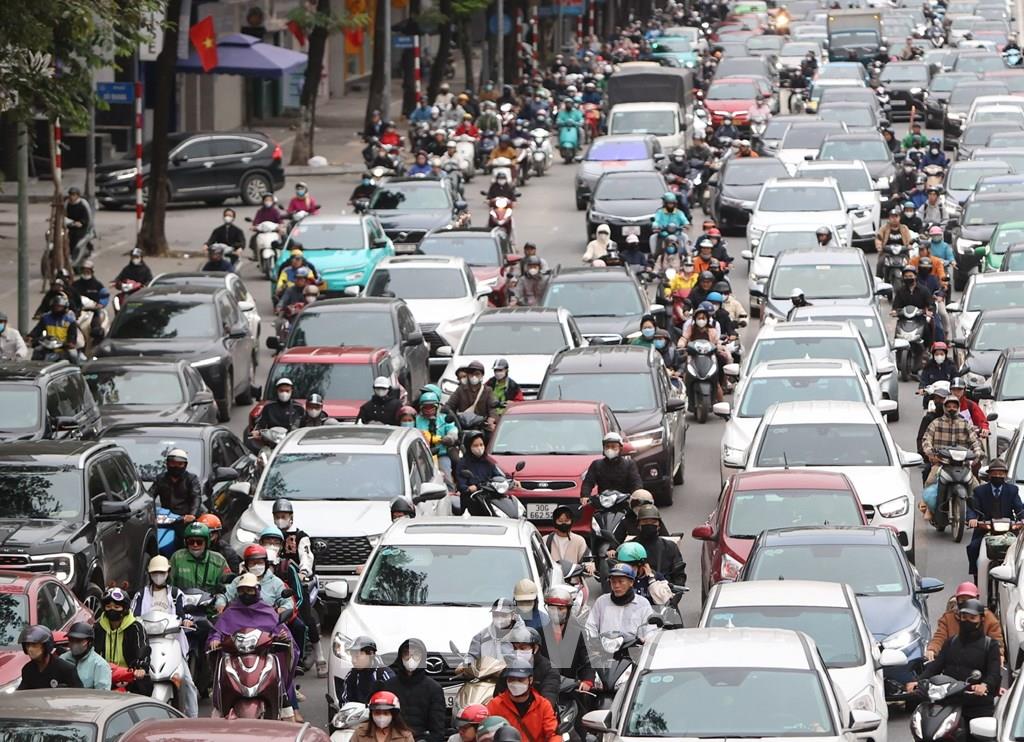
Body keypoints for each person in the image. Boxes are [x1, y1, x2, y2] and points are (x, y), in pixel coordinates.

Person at [207, 572, 298, 720]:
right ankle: (220, 706)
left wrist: (282, 636)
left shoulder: (267, 611)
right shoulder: (231, 612)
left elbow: (279, 629)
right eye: (242, 590)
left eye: (249, 590)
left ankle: (285, 705)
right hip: (235, 659)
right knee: (222, 683)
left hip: (263, 658)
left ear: (257, 590)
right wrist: (216, 639)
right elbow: (218, 630)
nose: (246, 594)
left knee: (278, 674)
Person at [907, 599, 1000, 727]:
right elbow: (935, 667)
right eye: (964, 617)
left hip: (977, 705)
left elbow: (994, 673)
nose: (967, 621)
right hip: (950, 701)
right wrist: (918, 681)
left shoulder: (990, 645)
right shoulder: (951, 642)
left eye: (972, 618)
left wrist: (984, 685)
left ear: (981, 619)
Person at [130, 555, 199, 716]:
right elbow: (133, 616)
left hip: (171, 642)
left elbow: (182, 613)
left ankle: (193, 718)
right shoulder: (141, 594)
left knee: (186, 681)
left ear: (168, 573)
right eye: (155, 573)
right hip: (146, 643)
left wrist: (187, 620)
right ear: (149, 574)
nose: (158, 576)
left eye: (161, 572)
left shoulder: (175, 594)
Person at [966, 458, 1023, 578]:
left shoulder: (1012, 490)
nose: (998, 476)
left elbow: (1019, 508)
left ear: (1005, 475)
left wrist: (1022, 518)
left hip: (1009, 529)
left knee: (1020, 549)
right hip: (985, 528)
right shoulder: (979, 491)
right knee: (973, 547)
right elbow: (973, 508)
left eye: (1001, 473)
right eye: (995, 473)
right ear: (989, 475)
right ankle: (976, 574)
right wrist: (972, 518)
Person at [383, 638, 447, 742]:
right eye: (406, 653)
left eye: (416, 654)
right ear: (400, 656)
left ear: (422, 657)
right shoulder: (388, 686)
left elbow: (437, 731)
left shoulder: (434, 688)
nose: (410, 658)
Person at [95, 587, 153, 696]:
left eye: (116, 607)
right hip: (103, 677)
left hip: (129, 677)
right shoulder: (98, 627)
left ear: (125, 609)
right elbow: (93, 652)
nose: (112, 610)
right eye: (108, 607)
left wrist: (141, 667)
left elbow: (142, 648)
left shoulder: (136, 627)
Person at [926, 582, 1004, 661]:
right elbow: (940, 637)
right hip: (954, 660)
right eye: (962, 600)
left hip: (980, 660)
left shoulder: (989, 618)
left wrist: (999, 654)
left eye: (973, 618)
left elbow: (996, 639)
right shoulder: (948, 618)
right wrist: (932, 649)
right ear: (957, 601)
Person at [486, 659, 558, 742]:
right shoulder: (495, 705)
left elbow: (553, 734)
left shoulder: (543, 705)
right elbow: (485, 735)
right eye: (511, 679)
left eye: (520, 680)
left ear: (530, 680)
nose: (515, 683)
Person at [922, 395, 986, 488]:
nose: (951, 409)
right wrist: (931, 453)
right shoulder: (935, 423)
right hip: (941, 464)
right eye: (949, 406)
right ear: (944, 408)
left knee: (976, 488)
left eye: (954, 406)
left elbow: (975, 441)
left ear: (958, 408)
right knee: (930, 483)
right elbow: (926, 440)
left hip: (963, 465)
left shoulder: (965, 424)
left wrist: (977, 453)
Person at [585, 563, 655, 641]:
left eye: (621, 581)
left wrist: (646, 639)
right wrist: (593, 642)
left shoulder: (643, 604)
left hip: (634, 647)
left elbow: (650, 631)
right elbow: (590, 626)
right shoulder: (601, 601)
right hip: (605, 646)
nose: (616, 585)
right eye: (613, 581)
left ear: (631, 582)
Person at [217, 544, 294, 615]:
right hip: (240, 619)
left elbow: (287, 602)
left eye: (260, 562)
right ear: (246, 565)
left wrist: (282, 609)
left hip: (267, 620)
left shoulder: (276, 582)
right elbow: (225, 596)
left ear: (266, 564)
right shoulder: (239, 581)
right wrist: (220, 604)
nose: (256, 566)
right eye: (252, 563)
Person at [493, 628, 559, 709]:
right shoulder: (509, 668)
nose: (517, 652)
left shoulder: (549, 670)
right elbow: (498, 696)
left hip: (537, 713)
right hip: (509, 713)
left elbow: (549, 699)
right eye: (515, 648)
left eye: (522, 648)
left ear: (535, 648)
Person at [629, 504, 687, 586]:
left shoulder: (670, 547)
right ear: (638, 525)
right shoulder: (629, 547)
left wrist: (671, 592)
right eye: (645, 522)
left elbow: (679, 576)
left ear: (659, 525)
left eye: (653, 522)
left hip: (663, 590)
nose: (649, 525)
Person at [169, 521, 232, 593]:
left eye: (199, 542)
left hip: (211, 599)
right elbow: (169, 585)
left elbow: (229, 586)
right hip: (182, 599)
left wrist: (221, 592)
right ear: (186, 543)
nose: (195, 545)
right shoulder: (177, 558)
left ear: (207, 542)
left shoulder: (219, 560)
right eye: (191, 542)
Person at [580, 432, 642, 504]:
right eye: (607, 446)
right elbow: (588, 482)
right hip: (603, 503)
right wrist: (585, 495)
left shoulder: (629, 464)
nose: (610, 449)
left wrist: (636, 495)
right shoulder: (596, 464)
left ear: (620, 448)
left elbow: (636, 482)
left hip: (624, 503)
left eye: (613, 446)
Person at [18, 625, 82, 690]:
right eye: (27, 645)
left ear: (46, 645)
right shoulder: (28, 670)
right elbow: (22, 693)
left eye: (34, 645)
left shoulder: (66, 669)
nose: (30, 649)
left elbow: (79, 693)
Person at [456, 431, 504, 513]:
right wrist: (469, 488)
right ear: (469, 447)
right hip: (472, 501)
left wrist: (510, 482)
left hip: (490, 499)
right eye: (475, 445)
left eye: (481, 445)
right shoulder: (463, 464)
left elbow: (498, 476)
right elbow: (461, 485)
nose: (479, 448)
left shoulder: (489, 461)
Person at [339, 636, 396, 705]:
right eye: (352, 656)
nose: (353, 660)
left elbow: (396, 700)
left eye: (357, 656)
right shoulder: (352, 675)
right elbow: (345, 701)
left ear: (371, 654)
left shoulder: (384, 674)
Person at [151, 448, 202, 523]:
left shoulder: (191, 479)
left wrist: (192, 515)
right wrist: (150, 513)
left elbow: (196, 497)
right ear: (167, 464)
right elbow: (150, 496)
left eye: (180, 464)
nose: (176, 466)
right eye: (173, 463)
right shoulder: (160, 479)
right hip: (165, 519)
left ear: (185, 465)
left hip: (185, 520)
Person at [414, 391, 459, 477]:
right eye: (426, 407)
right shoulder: (417, 420)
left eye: (431, 407)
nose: (428, 410)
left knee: (446, 475)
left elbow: (452, 429)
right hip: (422, 456)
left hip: (441, 454)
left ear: (437, 406)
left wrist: (450, 437)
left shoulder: (443, 418)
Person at [60, 621, 112, 690]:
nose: (74, 644)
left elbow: (103, 694)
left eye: (78, 641)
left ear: (89, 642)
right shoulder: (62, 659)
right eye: (71, 640)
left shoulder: (100, 665)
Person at [251, 378, 305, 443]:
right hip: (271, 442)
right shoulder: (269, 408)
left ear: (291, 391)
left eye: (287, 391)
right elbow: (261, 424)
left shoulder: (298, 408)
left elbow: (304, 427)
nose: (284, 393)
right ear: (277, 391)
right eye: (281, 390)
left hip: (292, 441)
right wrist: (257, 431)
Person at [28, 293, 79, 362]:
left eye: (60, 307)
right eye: (55, 306)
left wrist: (70, 343)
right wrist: (31, 336)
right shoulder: (46, 318)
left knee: (73, 355)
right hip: (47, 346)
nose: (57, 309)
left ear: (65, 307)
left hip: (63, 348)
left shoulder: (70, 320)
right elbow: (38, 329)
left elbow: (72, 334)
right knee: (37, 352)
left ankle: (78, 368)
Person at [65, 186, 92, 254]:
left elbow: (86, 217)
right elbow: (62, 213)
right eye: (70, 194)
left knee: (74, 237)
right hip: (69, 225)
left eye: (73, 195)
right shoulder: (67, 203)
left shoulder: (82, 204)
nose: (71, 197)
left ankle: (73, 254)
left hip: (80, 227)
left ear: (78, 195)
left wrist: (81, 222)